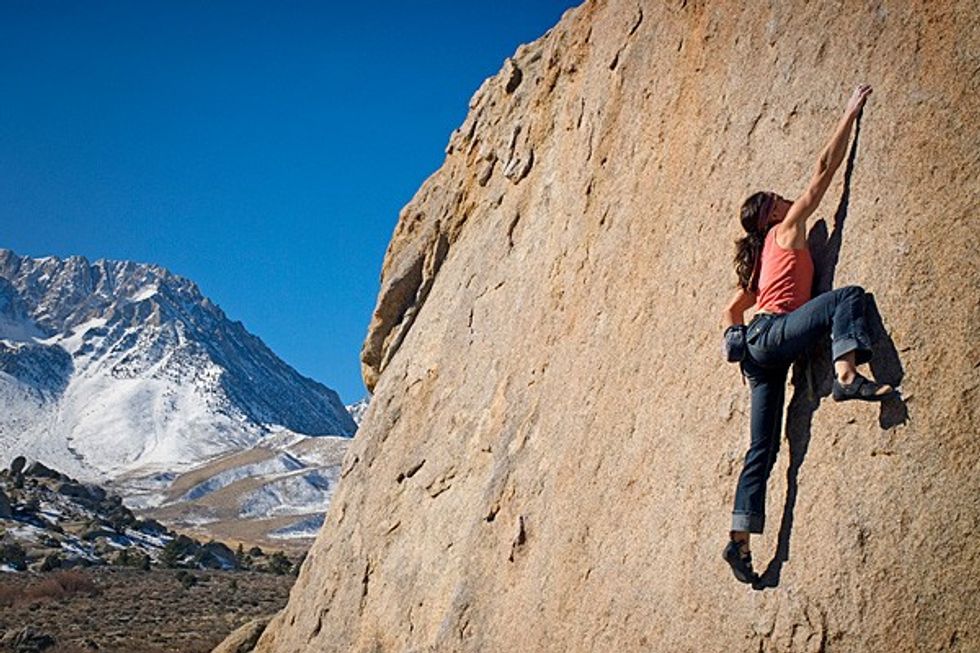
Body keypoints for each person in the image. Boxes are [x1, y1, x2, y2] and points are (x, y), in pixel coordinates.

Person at [720, 84, 895, 584]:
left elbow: (733, 307)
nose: (788, 199)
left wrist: (734, 341)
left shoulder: (761, 260)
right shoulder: (787, 230)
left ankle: (739, 541)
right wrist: (848, 116)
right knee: (846, 297)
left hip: (760, 350)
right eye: (779, 200)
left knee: (765, 451)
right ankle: (846, 375)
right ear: (773, 215)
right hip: (774, 337)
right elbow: (823, 172)